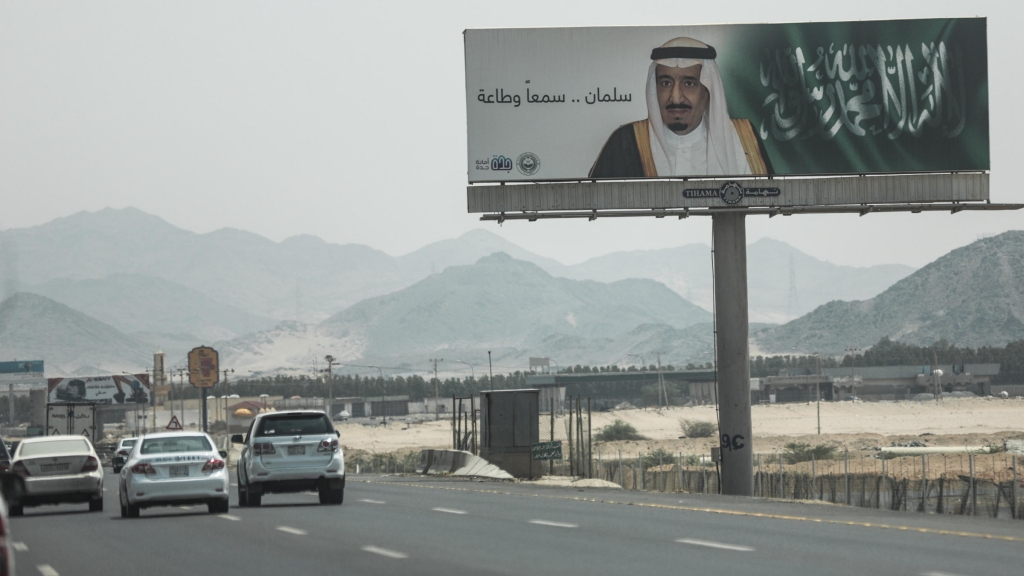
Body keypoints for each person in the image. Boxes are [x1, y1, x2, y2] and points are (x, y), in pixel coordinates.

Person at [589, 37, 770, 178]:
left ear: (708, 92)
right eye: (666, 83)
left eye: (689, 83)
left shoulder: (740, 138)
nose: (675, 96)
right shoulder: (625, 142)